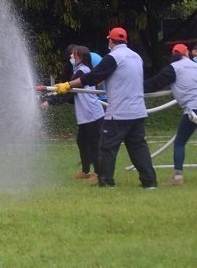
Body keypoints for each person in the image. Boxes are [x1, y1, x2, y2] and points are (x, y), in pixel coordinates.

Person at [55, 27, 157, 188]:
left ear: (110, 40)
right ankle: (149, 182)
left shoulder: (113, 57)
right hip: (138, 111)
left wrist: (68, 84)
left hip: (119, 112)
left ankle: (106, 182)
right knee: (138, 148)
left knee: (106, 148)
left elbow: (92, 77)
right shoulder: (136, 57)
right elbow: (112, 78)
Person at [143, 44, 197, 185]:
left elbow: (154, 84)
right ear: (186, 54)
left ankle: (177, 177)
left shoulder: (174, 68)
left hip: (195, 108)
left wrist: (134, 88)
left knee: (179, 143)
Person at [38, 46, 104, 181]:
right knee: (81, 142)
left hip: (93, 114)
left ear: (81, 57)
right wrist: (49, 96)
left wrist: (49, 102)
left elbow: (67, 92)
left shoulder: (82, 71)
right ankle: (86, 171)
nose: (71, 57)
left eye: (74, 55)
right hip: (85, 115)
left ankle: (98, 173)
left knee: (93, 144)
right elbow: (66, 89)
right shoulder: (78, 70)